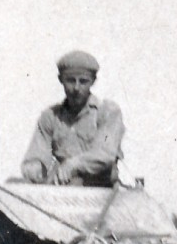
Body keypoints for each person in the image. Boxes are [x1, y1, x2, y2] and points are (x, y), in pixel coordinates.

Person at [19, 50, 125, 187]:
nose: (76, 88)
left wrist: (72, 165)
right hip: (65, 191)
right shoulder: (51, 116)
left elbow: (104, 155)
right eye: (70, 80)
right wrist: (38, 171)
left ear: (93, 81)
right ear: (60, 80)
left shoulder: (108, 112)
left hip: (103, 191)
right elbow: (35, 157)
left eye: (83, 81)